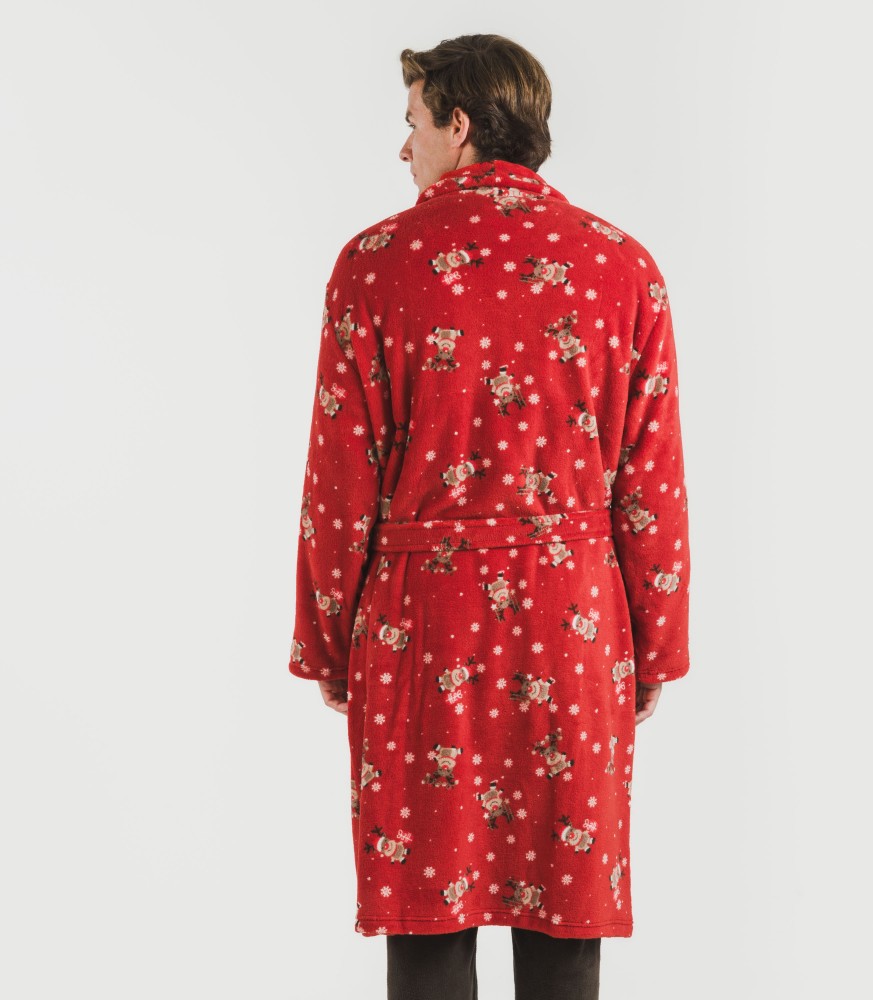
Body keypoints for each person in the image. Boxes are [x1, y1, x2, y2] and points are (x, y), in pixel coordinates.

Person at [288, 33, 691, 1000]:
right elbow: (653, 484)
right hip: (575, 626)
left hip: (422, 631)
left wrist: (331, 641)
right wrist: (654, 646)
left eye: (413, 122)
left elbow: (340, 485)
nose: (404, 147)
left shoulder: (375, 265)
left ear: (459, 124)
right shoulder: (623, 266)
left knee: (428, 921)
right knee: (565, 923)